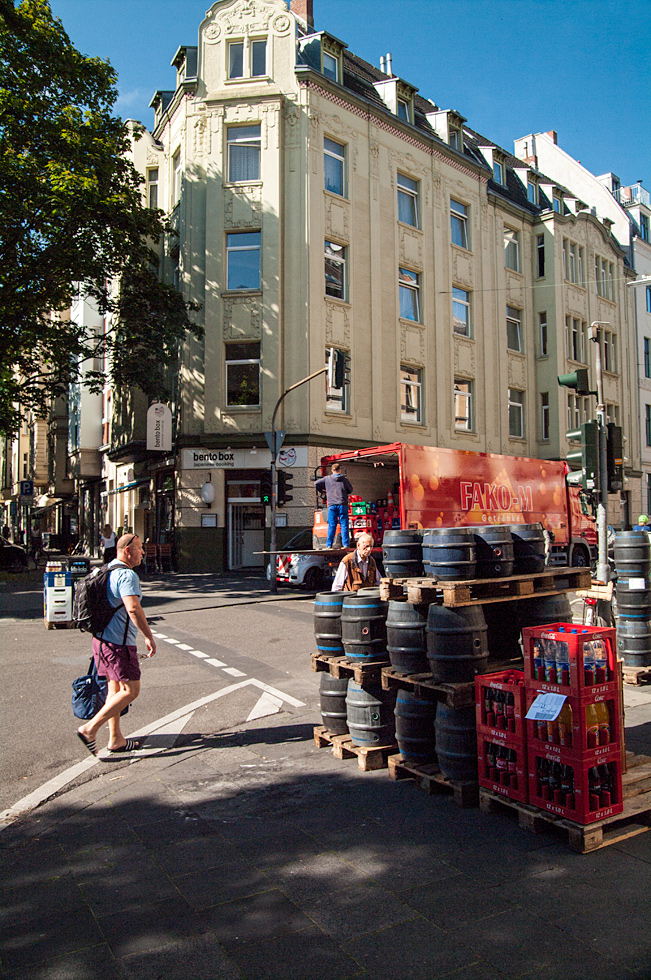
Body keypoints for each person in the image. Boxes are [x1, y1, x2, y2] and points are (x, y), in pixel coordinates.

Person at [76, 533, 157, 756]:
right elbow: (133, 608)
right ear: (128, 550)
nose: (143, 552)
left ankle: (115, 739)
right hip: (119, 645)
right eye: (140, 548)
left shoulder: (106, 569)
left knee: (114, 689)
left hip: (101, 641)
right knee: (131, 690)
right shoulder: (127, 575)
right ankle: (89, 729)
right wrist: (148, 636)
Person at [314, 462, 353, 549]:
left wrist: (323, 491)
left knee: (332, 525)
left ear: (332, 470)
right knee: (344, 524)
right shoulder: (344, 479)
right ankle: (345, 544)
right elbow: (350, 490)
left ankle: (329, 545)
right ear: (340, 470)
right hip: (342, 504)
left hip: (331, 505)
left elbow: (316, 483)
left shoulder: (327, 479)